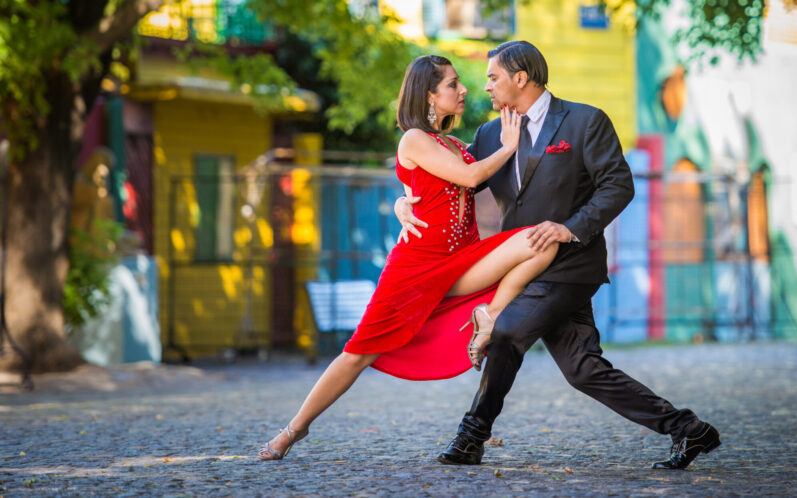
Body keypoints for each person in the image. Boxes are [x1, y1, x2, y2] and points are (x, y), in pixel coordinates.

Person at [396, 41, 720, 470]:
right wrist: (404, 202)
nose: (486, 86)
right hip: (522, 267)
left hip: (572, 265)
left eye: (493, 77)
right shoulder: (491, 135)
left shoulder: (586, 121)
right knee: (583, 369)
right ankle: (689, 429)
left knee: (506, 331)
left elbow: (618, 186)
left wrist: (570, 228)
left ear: (521, 77)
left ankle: (470, 437)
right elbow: (449, 182)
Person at [258, 54, 558, 461]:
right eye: (453, 84)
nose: (464, 89)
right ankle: (294, 430)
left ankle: (488, 316)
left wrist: (404, 199)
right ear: (429, 95)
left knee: (544, 241)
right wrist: (508, 147)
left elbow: (435, 182)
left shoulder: (451, 143)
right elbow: (470, 177)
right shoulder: (413, 139)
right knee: (357, 354)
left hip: (463, 260)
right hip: (415, 269)